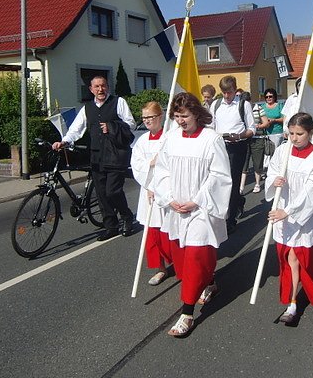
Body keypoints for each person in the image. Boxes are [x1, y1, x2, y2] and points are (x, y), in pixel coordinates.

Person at [154, 92, 232, 337]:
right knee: (181, 258)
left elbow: (219, 175)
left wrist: (197, 200)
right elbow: (162, 172)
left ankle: (187, 314)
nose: (180, 121)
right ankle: (210, 283)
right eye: (177, 116)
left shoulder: (211, 139)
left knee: (196, 257)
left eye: (185, 116)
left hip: (201, 208)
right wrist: (169, 198)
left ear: (197, 114)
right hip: (177, 207)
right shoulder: (170, 138)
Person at [265, 112, 313, 324]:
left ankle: (294, 303)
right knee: (290, 257)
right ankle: (293, 302)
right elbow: (273, 170)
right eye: (291, 133)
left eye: (299, 134)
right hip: (284, 209)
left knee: (296, 255)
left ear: (310, 133)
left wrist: (290, 211)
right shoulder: (283, 150)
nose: (294, 138)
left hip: (305, 214)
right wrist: (274, 180)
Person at [52, 76, 136, 240]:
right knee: (102, 194)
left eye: (103, 86)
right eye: (96, 87)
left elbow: (131, 124)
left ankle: (126, 217)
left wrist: (111, 126)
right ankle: (111, 226)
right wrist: (64, 141)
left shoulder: (118, 102)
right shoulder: (87, 108)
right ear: (91, 90)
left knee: (113, 191)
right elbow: (76, 129)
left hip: (116, 155)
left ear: (107, 87)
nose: (100, 89)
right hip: (97, 156)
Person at [131, 101, 171, 286]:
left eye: (150, 117)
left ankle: (179, 263)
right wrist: (150, 167)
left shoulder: (169, 138)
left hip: (167, 191)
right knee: (152, 232)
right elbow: (137, 165)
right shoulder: (141, 141)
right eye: (144, 117)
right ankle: (160, 268)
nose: (146, 120)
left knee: (169, 230)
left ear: (160, 117)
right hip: (148, 191)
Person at [210, 75, 256, 233]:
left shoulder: (244, 105)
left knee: (232, 182)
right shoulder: (216, 104)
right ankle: (238, 201)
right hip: (220, 147)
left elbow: (252, 129)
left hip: (237, 146)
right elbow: (211, 126)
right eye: (223, 92)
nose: (226, 95)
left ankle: (230, 220)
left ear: (235, 90)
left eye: (229, 92)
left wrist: (239, 136)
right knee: (219, 181)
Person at [240, 92, 270, 194]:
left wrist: (257, 126)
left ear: (250, 101)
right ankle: (241, 186)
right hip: (245, 138)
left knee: (257, 162)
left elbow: (266, 123)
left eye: (247, 102)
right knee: (244, 163)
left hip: (257, 138)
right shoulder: (240, 109)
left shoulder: (258, 108)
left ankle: (257, 184)